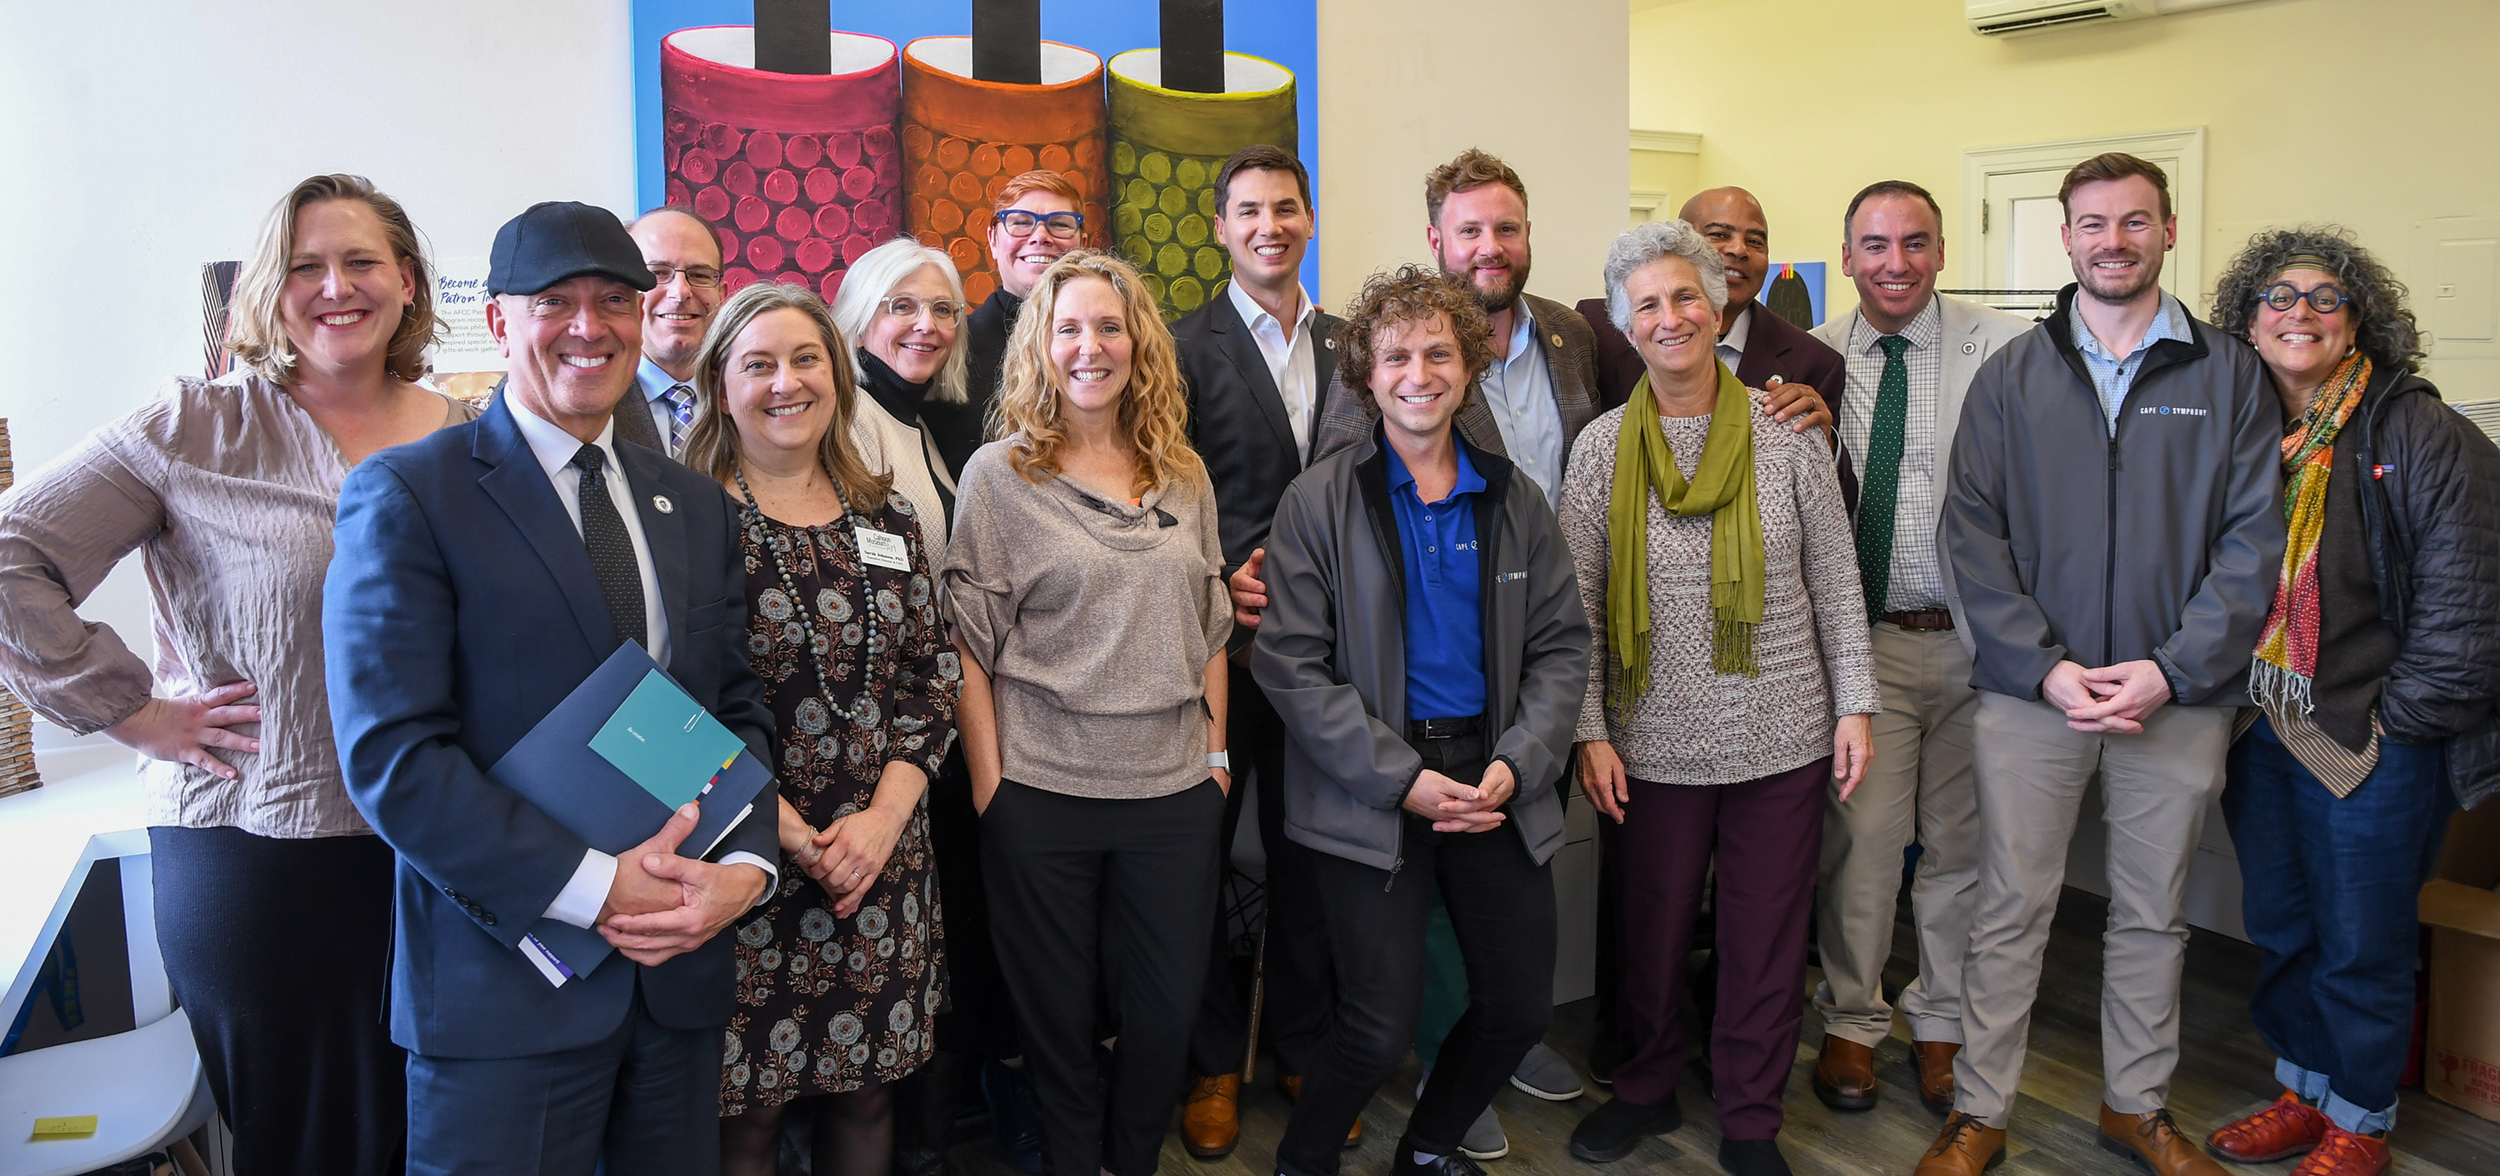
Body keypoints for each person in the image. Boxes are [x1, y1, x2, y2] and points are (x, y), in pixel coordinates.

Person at [0, 173, 466, 1176]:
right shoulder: (195, 426)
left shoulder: (474, 435)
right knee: (306, 1144)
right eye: (304, 266)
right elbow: (11, 555)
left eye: (360, 262)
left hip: (444, 851)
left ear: (409, 282)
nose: (334, 286)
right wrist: (133, 713)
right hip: (265, 851)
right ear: (267, 289)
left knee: (436, 1134)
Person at [325, 200, 781, 1175]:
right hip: (506, 997)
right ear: (497, 322)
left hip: (678, 984)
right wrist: (594, 886)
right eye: (555, 301)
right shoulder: (413, 494)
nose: (589, 325)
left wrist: (744, 875)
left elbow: (733, 710)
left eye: (615, 299)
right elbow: (393, 759)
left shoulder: (693, 506)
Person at [1921, 154, 2284, 1176]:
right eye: (2090, 223)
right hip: (2034, 698)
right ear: (2065, 237)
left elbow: (2253, 541)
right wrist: (2043, 669)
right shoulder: (2013, 379)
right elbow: (1972, 536)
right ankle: (1980, 1110)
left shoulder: (2229, 375)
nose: (2111, 241)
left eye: (2133, 221)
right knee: (2010, 905)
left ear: (2169, 230)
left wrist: (2171, 670)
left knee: (2151, 914)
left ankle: (2135, 1105)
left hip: (2175, 699)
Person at [1253, 263, 1591, 1176]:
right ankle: (1304, 1162)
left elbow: (1562, 647)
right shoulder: (1317, 502)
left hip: (1495, 782)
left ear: (1470, 366)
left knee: (1519, 1008)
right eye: (1395, 354)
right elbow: (1288, 661)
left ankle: (1428, 1151)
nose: (1418, 372)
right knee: (1375, 1024)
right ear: (1366, 374)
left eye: (1439, 351)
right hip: (1373, 794)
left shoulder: (1513, 496)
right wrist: (1401, 778)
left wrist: (1520, 763)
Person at [1560, 219, 1876, 1176]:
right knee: (1649, 934)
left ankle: (1750, 1115)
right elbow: (1572, 606)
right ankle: (1647, 1090)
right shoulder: (1601, 450)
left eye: (1685, 296)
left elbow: (1835, 581)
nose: (1670, 317)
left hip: (1783, 732)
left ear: (1720, 304)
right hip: (1648, 738)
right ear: (1625, 324)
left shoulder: (1787, 441)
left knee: (1764, 937)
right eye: (1647, 304)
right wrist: (1588, 731)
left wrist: (1855, 704)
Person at [2200, 229, 2500, 1176]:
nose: (2300, 314)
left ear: (2360, 320)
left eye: (2325, 298)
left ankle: (2361, 1121)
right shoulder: (2244, 436)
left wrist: (2401, 725)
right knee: (2286, 926)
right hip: (2262, 724)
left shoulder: (2418, 429)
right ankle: (2305, 1092)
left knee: (2363, 941)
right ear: (2247, 324)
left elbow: (2471, 599)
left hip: (2376, 739)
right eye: (2277, 298)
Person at [938, 250, 1232, 1176]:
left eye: (1109, 327)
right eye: (1069, 327)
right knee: (1056, 1025)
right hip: (1041, 795)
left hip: (1174, 793)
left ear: (1139, 344)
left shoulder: (1182, 473)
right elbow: (968, 647)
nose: (1090, 346)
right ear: (1041, 344)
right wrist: (994, 788)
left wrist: (1216, 760)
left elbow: (1212, 624)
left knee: (1162, 1017)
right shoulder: (998, 477)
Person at [683, 283, 960, 1176]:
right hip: (742, 858)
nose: (785, 383)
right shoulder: (683, 524)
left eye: (806, 359)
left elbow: (930, 676)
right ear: (719, 384)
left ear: (837, 376)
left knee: (867, 1093)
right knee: (747, 1114)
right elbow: (653, 708)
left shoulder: (889, 518)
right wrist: (785, 832)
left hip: (880, 861)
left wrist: (881, 825)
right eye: (757, 364)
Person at [1802, 180, 2033, 1116]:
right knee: (1860, 846)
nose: (1895, 263)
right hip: (1869, 648)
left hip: (1980, 648)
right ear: (1848, 254)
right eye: (1875, 245)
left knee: (1963, 851)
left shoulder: (2004, 350)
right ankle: (1851, 1023)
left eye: (1914, 243)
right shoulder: (1809, 358)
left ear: (1940, 250)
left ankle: (1940, 1023)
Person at [1168, 143, 1349, 1161]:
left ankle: (1304, 1045)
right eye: (1248, 211)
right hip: (1219, 658)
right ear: (1223, 228)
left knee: (1315, 861)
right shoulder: (1182, 344)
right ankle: (1209, 1064)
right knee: (1202, 862)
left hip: (1330, 657)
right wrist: (1217, 581)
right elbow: (1159, 492)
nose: (1268, 226)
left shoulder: (1354, 342)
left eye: (1285, 207)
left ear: (1308, 219)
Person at [923, 170, 1085, 479]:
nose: (1040, 236)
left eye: (1060, 224)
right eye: (1021, 222)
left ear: (1083, 243)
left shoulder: (1105, 350)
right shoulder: (950, 350)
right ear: (993, 240)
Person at [829, 236, 972, 547]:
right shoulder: (842, 420)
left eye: (942, 309)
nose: (927, 324)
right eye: (903, 306)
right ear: (859, 327)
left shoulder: (915, 423)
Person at [620, 206, 728, 458]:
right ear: (623, 291)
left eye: (699, 275)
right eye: (657, 273)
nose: (680, 292)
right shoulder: (590, 401)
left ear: (721, 295)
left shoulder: (748, 396)